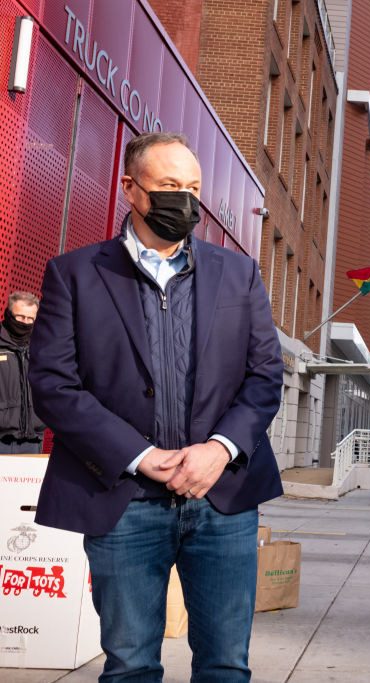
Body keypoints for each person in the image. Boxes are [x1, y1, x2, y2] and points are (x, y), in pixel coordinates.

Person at [28, 132, 284, 681]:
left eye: (192, 187)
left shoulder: (239, 274)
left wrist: (220, 449)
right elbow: (53, 384)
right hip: (123, 501)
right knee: (129, 667)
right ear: (130, 189)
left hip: (223, 500)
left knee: (225, 666)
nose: (184, 199)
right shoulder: (73, 274)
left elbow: (265, 376)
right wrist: (140, 455)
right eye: (169, 185)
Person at [0, 292, 45, 453]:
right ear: (8, 314)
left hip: (33, 439)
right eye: (20, 317)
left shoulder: (41, 348)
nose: (25, 322)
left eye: (30, 319)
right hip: (2, 439)